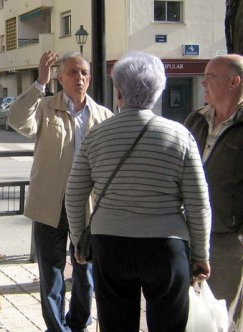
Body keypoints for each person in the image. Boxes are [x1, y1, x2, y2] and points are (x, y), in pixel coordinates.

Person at [65, 51, 212, 331]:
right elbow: (198, 203)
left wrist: (78, 241)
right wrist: (200, 255)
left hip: (111, 244)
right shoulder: (180, 136)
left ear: (118, 92)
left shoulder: (97, 136)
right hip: (166, 247)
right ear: (158, 93)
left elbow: (74, 194)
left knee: (116, 323)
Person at [8, 50, 113, 332]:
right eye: (72, 72)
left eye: (84, 73)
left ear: (89, 79)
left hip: (88, 208)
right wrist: (38, 84)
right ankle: (56, 328)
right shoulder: (44, 107)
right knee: (50, 272)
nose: (79, 77)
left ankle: (78, 323)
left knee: (85, 270)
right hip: (49, 205)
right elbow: (17, 120)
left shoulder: (104, 116)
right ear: (60, 77)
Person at [184, 54, 243, 331]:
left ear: (235, 82)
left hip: (228, 241)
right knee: (191, 314)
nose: (203, 82)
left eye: (211, 77)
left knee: (225, 316)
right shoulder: (196, 119)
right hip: (190, 234)